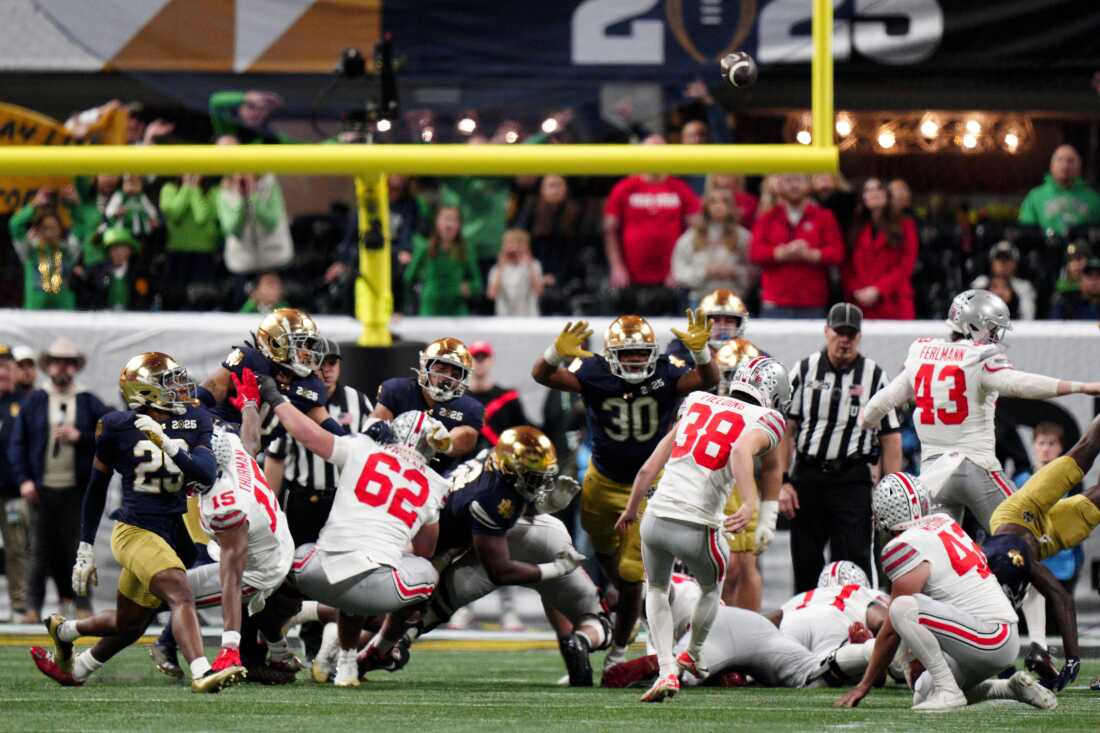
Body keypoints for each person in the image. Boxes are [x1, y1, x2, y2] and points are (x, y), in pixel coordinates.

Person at [30, 353, 242, 693]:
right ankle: (202, 671)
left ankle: (70, 643)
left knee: (130, 624)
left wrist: (170, 446)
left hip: (174, 532)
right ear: (144, 391)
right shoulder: (116, 425)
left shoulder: (193, 417)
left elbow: (204, 472)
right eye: (168, 383)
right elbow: (96, 488)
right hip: (135, 530)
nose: (180, 389)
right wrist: (85, 547)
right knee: (180, 592)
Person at [531, 311, 718, 671]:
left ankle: (618, 648)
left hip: (650, 484)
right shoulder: (595, 371)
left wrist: (702, 353)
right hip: (602, 479)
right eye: (627, 353)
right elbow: (541, 374)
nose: (635, 360)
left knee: (632, 573)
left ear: (653, 352)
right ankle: (632, 606)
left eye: (641, 352)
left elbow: (707, 379)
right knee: (602, 549)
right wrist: (555, 351)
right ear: (611, 353)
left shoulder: (666, 371)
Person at [257, 369, 451, 687]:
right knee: (426, 573)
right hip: (378, 589)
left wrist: (274, 397)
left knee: (298, 560)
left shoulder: (362, 448)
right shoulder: (434, 485)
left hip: (316, 573)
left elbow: (306, 434)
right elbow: (426, 551)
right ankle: (382, 649)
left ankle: (277, 642)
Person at [615, 358, 788, 702]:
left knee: (657, 590)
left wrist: (631, 509)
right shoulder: (767, 418)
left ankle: (666, 670)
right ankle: (692, 654)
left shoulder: (696, 401)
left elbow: (650, 466)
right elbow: (740, 450)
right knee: (713, 589)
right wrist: (750, 503)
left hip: (656, 518)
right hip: (698, 524)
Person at [861, 289, 1100, 531]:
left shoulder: (922, 353)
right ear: (973, 325)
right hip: (975, 467)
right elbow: (1020, 384)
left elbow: (879, 404)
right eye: (993, 328)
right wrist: (1080, 387)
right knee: (1023, 539)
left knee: (943, 555)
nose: (996, 335)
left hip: (933, 476)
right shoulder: (978, 356)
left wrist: (864, 426)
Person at [835, 473, 1056, 712]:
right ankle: (1009, 688)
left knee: (902, 608)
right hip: (995, 636)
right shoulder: (943, 522)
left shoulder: (902, 545)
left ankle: (948, 690)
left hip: (989, 637)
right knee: (922, 694)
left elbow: (891, 629)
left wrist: (865, 684)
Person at [397, 442, 606, 686]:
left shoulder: (491, 475)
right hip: (441, 541)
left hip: (460, 539)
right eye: (532, 477)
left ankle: (380, 646)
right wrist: (555, 568)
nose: (540, 485)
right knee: (597, 620)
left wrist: (542, 507)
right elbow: (500, 569)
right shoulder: (490, 495)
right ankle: (585, 647)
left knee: (417, 613)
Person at [781, 304, 902, 591]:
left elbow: (890, 437)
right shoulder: (804, 369)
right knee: (806, 564)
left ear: (859, 337)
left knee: (853, 564)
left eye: (851, 334)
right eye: (839, 332)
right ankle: (806, 628)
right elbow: (786, 429)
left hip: (851, 479)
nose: (844, 340)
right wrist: (783, 482)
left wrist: (889, 490)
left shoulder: (874, 376)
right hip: (808, 476)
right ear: (826, 332)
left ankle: (855, 628)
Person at [982, 413, 1100, 693]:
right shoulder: (1018, 570)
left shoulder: (999, 566)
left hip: (1023, 511)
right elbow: (1059, 597)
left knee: (1085, 450)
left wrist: (1073, 661)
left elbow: (1060, 597)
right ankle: (1036, 648)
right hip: (1039, 542)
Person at [9, 339, 110, 623]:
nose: (62, 368)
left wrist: (81, 437)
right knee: (38, 551)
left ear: (75, 368)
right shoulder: (35, 401)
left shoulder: (88, 400)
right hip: (41, 490)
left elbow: (108, 438)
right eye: (57, 362)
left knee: (78, 549)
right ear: (49, 366)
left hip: (76, 490)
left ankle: (82, 605)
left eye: (68, 363)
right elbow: (17, 445)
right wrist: (25, 480)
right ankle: (32, 608)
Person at [266, 339, 372, 547]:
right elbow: (275, 459)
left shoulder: (358, 401)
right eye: (320, 363)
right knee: (292, 560)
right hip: (302, 499)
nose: (326, 370)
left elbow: (370, 456)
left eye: (331, 363)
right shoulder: (292, 402)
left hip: (343, 500)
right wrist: (268, 509)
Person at [200, 308, 339, 450]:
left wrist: (354, 445)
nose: (308, 353)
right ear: (276, 343)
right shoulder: (250, 361)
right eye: (302, 345)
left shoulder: (310, 385)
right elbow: (201, 397)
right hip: (215, 437)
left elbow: (332, 431)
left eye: (310, 345)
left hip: (250, 455)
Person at [603, 135, 701, 314]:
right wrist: (616, 266)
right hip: (631, 277)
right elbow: (610, 230)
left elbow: (696, 229)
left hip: (670, 276)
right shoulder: (625, 187)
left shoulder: (679, 188)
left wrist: (680, 268)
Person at [372, 338, 484, 477]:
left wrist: (447, 442)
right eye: (441, 369)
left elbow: (467, 438)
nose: (446, 378)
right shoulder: (398, 390)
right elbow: (373, 435)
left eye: (455, 374)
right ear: (425, 366)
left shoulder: (470, 407)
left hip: (437, 481)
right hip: (387, 469)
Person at [750, 173, 844, 319]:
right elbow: (755, 252)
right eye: (788, 180)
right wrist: (781, 253)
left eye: (799, 180)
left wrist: (810, 254)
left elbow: (837, 253)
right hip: (775, 301)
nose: (794, 185)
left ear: (808, 185)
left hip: (813, 302)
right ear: (779, 185)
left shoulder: (824, 217)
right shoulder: (767, 218)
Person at [842, 177, 918, 320]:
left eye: (878, 188)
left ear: (888, 194)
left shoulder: (905, 224)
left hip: (894, 301)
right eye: (868, 190)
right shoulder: (854, 227)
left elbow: (906, 265)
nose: (873, 193)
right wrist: (856, 289)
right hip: (860, 303)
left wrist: (878, 289)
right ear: (862, 197)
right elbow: (846, 265)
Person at [775, 562, 888, 655]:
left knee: (778, 661)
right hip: (833, 622)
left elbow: (769, 620)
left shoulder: (805, 596)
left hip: (792, 621)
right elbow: (882, 620)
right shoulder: (862, 592)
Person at [512, 175, 586, 315]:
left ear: (566, 189)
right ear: (542, 190)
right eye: (551, 186)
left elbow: (575, 252)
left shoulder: (574, 212)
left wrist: (557, 277)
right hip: (533, 271)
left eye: (559, 185)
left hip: (565, 274)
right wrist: (538, 274)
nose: (555, 190)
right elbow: (519, 241)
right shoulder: (531, 209)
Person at [671, 188, 754, 305]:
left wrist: (734, 272)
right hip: (700, 299)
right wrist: (705, 272)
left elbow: (753, 270)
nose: (718, 206)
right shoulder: (691, 237)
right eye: (713, 202)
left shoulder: (743, 237)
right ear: (705, 206)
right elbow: (679, 271)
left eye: (724, 202)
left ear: (732, 207)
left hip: (733, 300)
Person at [404, 206, 482, 316]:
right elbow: (408, 278)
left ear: (459, 225)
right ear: (437, 222)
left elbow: (477, 283)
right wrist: (405, 310)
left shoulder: (466, 250)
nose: (449, 225)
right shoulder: (424, 248)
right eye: (445, 219)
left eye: (453, 220)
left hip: (457, 313)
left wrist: (469, 288)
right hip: (430, 311)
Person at [158, 174, 221, 310]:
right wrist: (187, 187)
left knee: (201, 301)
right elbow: (174, 213)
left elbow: (201, 217)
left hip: (203, 255)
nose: (192, 173)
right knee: (172, 300)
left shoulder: (214, 191)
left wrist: (194, 189)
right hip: (176, 253)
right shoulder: (168, 189)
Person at [8, 200, 82, 310]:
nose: (49, 232)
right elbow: (15, 225)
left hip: (64, 316)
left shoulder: (68, 250)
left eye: (53, 228)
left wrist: (73, 207)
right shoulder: (29, 250)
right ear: (37, 230)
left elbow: (80, 227)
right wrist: (34, 206)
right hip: (35, 315)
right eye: (45, 228)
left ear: (61, 230)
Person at [0, 345, 29, 621]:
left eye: (7, 367)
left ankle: (19, 603)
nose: (3, 372)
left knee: (17, 548)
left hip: (11, 492)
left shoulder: (24, 403)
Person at [1017, 144, 1100, 236]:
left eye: (1071, 161)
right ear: (1051, 166)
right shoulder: (1035, 197)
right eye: (1060, 160)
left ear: (1079, 167)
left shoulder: (1094, 200)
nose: (1065, 165)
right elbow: (1026, 230)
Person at [88, 226, 153, 311]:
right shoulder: (98, 271)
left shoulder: (139, 273)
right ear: (108, 252)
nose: (118, 252)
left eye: (122, 248)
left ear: (130, 251)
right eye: (114, 248)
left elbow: (143, 296)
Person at [971, 241, 1037, 320]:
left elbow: (1028, 318)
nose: (1003, 263)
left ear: (1015, 263)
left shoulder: (1024, 287)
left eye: (1007, 259)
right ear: (992, 262)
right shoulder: (980, 284)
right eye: (999, 258)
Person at [487, 229, 543, 316]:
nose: (515, 250)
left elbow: (539, 292)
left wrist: (529, 266)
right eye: (510, 245)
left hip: (529, 318)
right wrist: (501, 268)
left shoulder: (534, 266)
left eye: (518, 245)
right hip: (505, 319)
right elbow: (492, 295)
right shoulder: (496, 269)